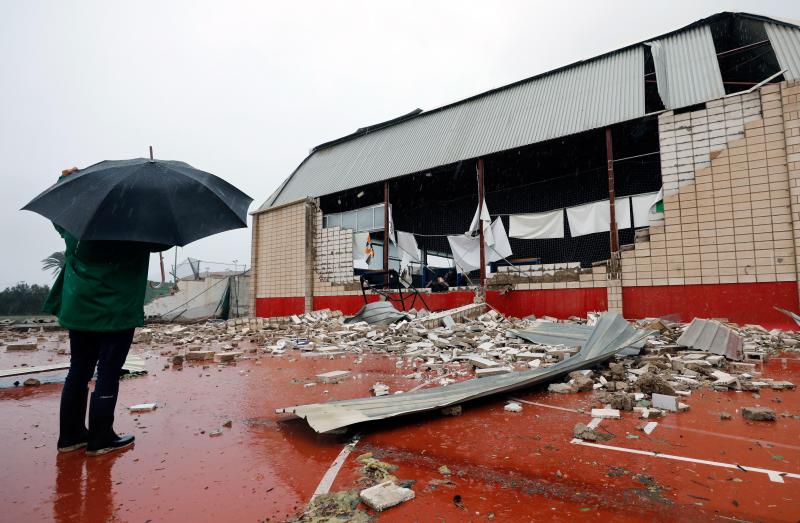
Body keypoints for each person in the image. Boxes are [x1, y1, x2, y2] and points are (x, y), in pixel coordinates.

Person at [45, 167, 169, 456]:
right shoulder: (135, 229)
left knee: (78, 371)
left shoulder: (76, 227)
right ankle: (101, 437)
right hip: (116, 312)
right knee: (108, 372)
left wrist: (65, 180)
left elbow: (60, 212)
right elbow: (165, 240)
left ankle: (70, 436)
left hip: (79, 309)